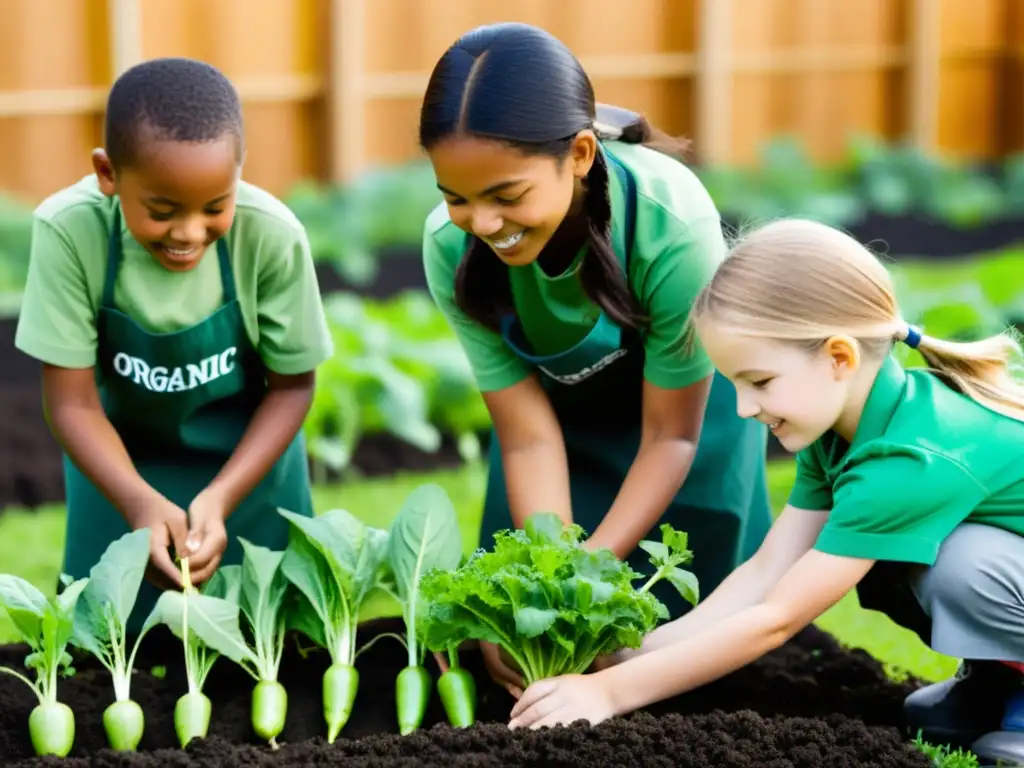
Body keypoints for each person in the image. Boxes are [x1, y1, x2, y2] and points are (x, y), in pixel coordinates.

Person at [505, 217, 1024, 765]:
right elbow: (767, 571)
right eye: (735, 384)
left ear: (839, 358)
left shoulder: (909, 460)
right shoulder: (844, 434)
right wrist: (632, 655)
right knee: (895, 554)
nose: (744, 408)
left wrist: (607, 695)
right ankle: (998, 680)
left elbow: (775, 618)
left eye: (760, 382)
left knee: (959, 565)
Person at [418, 21, 773, 696]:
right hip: (557, 424)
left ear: (579, 154)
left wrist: (588, 579)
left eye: (507, 195)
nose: (482, 223)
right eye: (456, 196)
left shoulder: (672, 226)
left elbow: (671, 434)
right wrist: (551, 581)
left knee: (683, 657)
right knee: (515, 644)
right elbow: (526, 437)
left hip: (684, 423)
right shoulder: (449, 246)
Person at [14, 57, 333, 633]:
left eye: (216, 207)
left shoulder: (272, 235)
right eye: (162, 211)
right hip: (118, 471)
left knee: (275, 653)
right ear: (108, 174)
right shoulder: (70, 231)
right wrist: (138, 502)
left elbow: (293, 388)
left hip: (249, 473)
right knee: (108, 658)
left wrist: (220, 499)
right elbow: (72, 403)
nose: (189, 233)